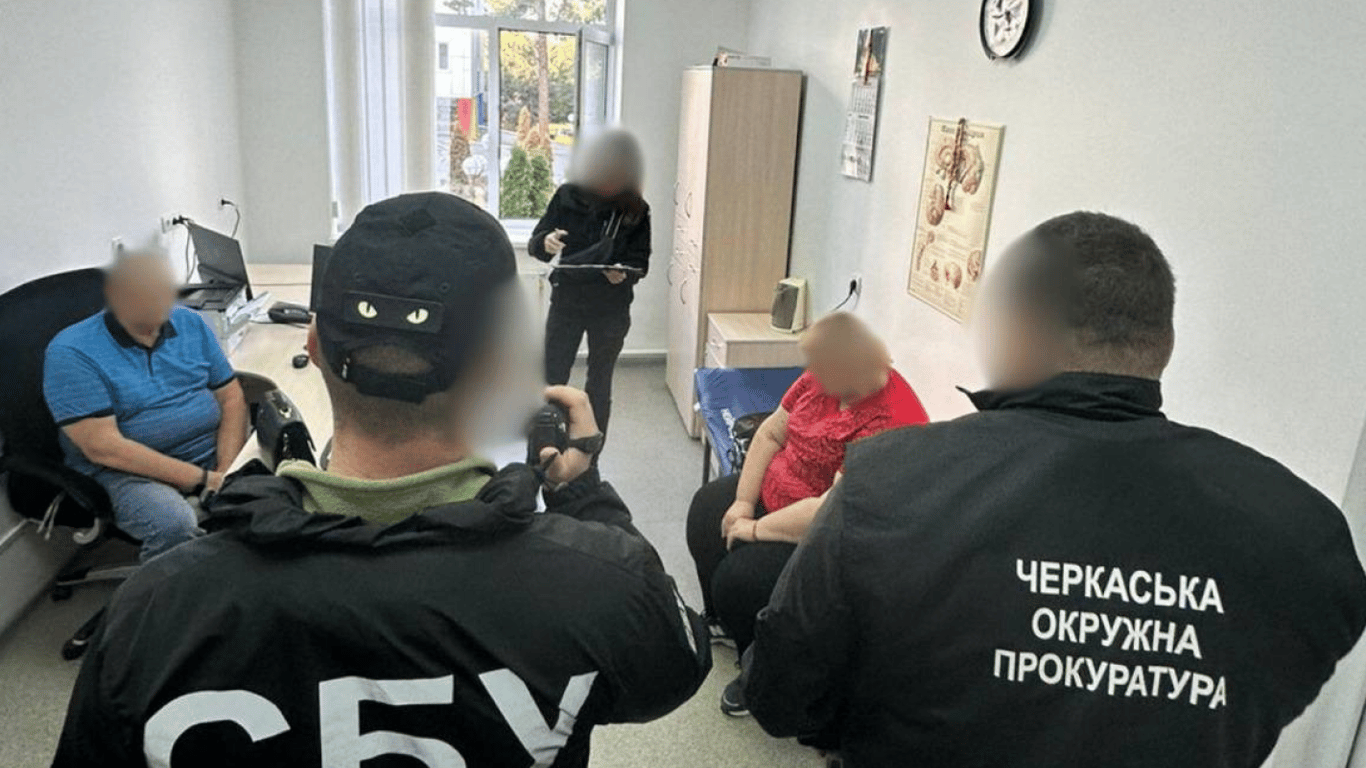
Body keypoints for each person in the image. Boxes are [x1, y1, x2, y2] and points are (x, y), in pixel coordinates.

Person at [52, 192, 710, 768]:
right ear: (502, 364)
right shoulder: (600, 585)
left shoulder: (155, 609)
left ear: (313, 343)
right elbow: (674, 667)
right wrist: (580, 491)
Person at [744, 212, 1366, 767]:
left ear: (1017, 335)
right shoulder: (1303, 534)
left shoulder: (887, 481)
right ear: (1165, 346)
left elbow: (780, 695)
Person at [686, 312, 928, 716]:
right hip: (785, 489)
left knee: (741, 580)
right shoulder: (821, 379)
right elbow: (770, 433)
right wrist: (743, 503)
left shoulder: (891, 420)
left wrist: (756, 528)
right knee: (707, 512)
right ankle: (730, 626)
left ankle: (762, 672)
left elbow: (828, 511)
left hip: (831, 531)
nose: (811, 373)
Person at [42, 249, 248, 561]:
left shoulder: (190, 322)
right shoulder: (71, 352)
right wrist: (202, 480)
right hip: (124, 471)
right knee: (174, 524)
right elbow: (104, 449)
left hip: (207, 453)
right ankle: (167, 590)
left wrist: (226, 471)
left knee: (283, 479)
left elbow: (231, 398)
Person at [529, 129, 651, 441]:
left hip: (611, 307)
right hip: (567, 302)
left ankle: (591, 452)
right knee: (552, 376)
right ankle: (544, 446)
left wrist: (624, 272)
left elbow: (641, 262)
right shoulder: (567, 196)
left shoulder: (636, 208)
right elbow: (536, 245)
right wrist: (547, 241)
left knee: (599, 381)